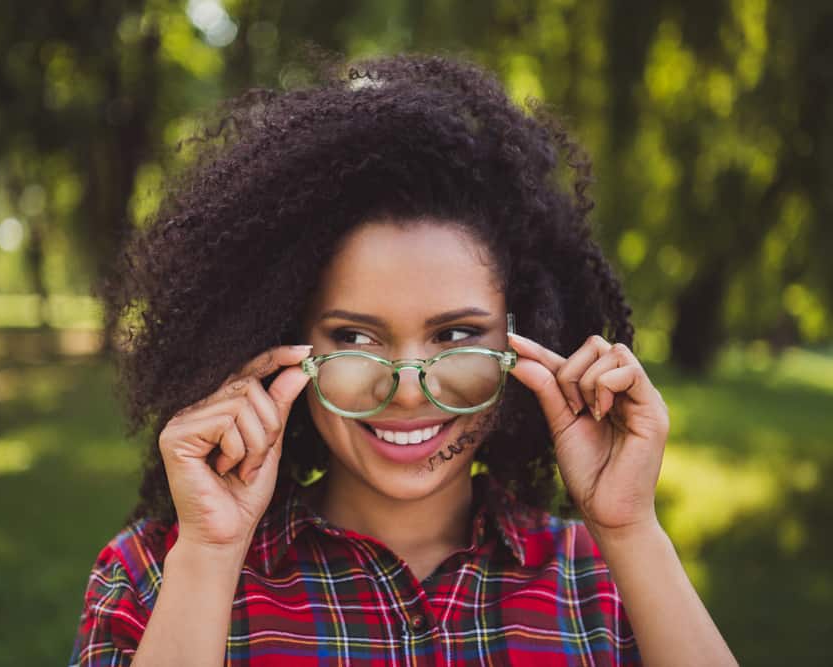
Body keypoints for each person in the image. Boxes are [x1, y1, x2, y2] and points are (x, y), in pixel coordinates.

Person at [68, 53, 736, 666]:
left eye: (454, 335)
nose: (408, 391)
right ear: (282, 344)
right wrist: (209, 557)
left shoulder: (605, 581)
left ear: (523, 340)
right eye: (356, 338)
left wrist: (631, 530)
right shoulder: (155, 575)